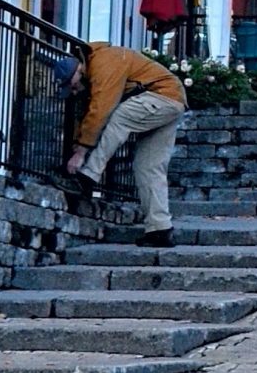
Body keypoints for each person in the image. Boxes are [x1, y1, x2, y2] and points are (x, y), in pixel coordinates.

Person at [65, 39, 188, 247]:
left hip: (161, 95)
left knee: (119, 116)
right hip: (173, 99)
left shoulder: (104, 62)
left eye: (73, 86)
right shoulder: (95, 69)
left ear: (77, 71)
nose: (74, 92)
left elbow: (100, 109)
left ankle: (89, 175)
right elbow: (87, 113)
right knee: (148, 166)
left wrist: (81, 153)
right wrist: (79, 143)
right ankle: (160, 229)